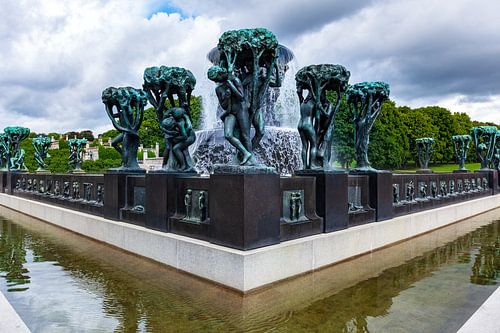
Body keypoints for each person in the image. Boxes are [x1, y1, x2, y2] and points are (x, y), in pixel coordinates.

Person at [208, 66, 252, 165]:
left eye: (216, 79)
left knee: (245, 136)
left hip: (241, 110)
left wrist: (231, 86)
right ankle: (245, 153)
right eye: (214, 80)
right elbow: (223, 106)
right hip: (230, 112)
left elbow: (241, 97)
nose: (216, 81)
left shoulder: (235, 80)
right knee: (228, 135)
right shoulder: (218, 89)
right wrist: (226, 98)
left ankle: (250, 159)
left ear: (221, 74)